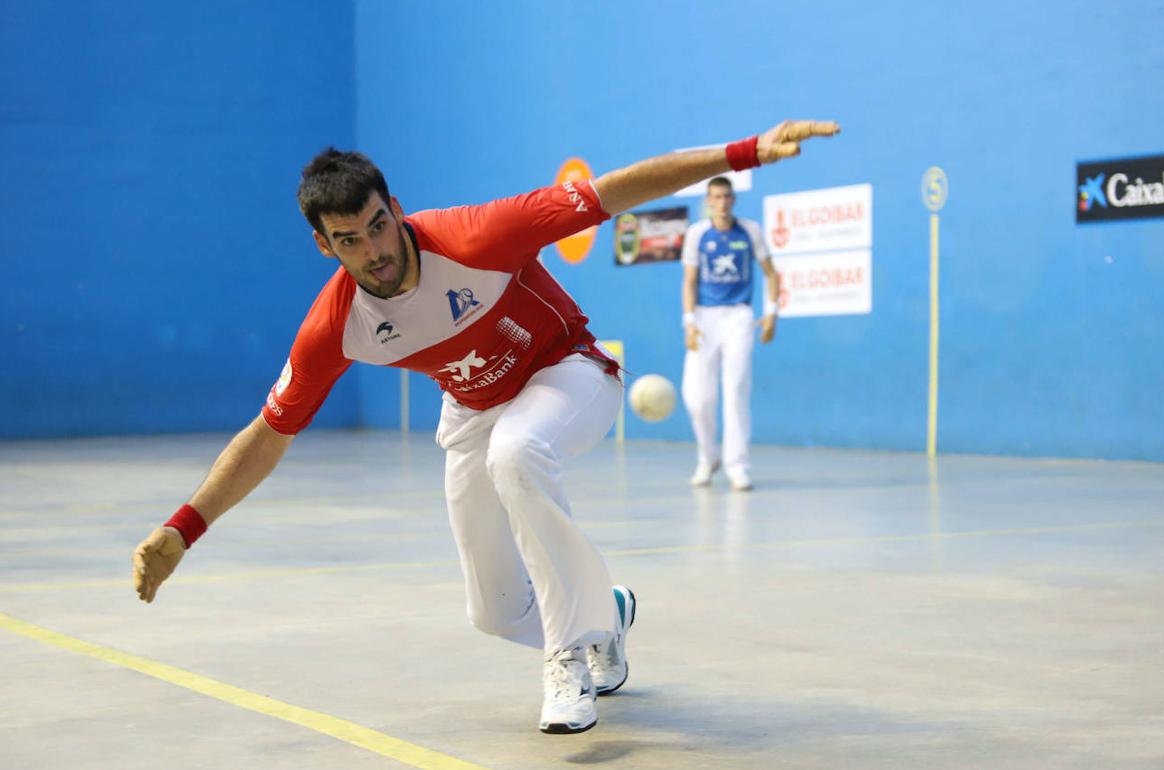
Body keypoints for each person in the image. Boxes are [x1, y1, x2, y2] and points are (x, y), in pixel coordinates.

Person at [131, 119, 840, 735]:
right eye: (350, 240)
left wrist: (746, 151)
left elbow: (616, 190)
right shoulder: (336, 323)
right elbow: (269, 433)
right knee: (495, 613)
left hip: (571, 374)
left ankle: (569, 661)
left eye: (379, 224)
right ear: (325, 246)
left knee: (519, 450)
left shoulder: (477, 236)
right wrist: (183, 527)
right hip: (471, 409)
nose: (375, 249)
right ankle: (606, 616)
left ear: (396, 209)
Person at [680, 176, 780, 491]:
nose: (722, 202)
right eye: (716, 197)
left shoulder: (750, 231)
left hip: (739, 316)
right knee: (698, 398)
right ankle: (708, 457)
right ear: (708, 202)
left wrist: (772, 313)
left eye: (726, 196)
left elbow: (770, 272)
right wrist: (689, 321)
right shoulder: (697, 234)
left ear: (733, 199)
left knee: (736, 389)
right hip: (704, 320)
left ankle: (737, 465)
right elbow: (690, 281)